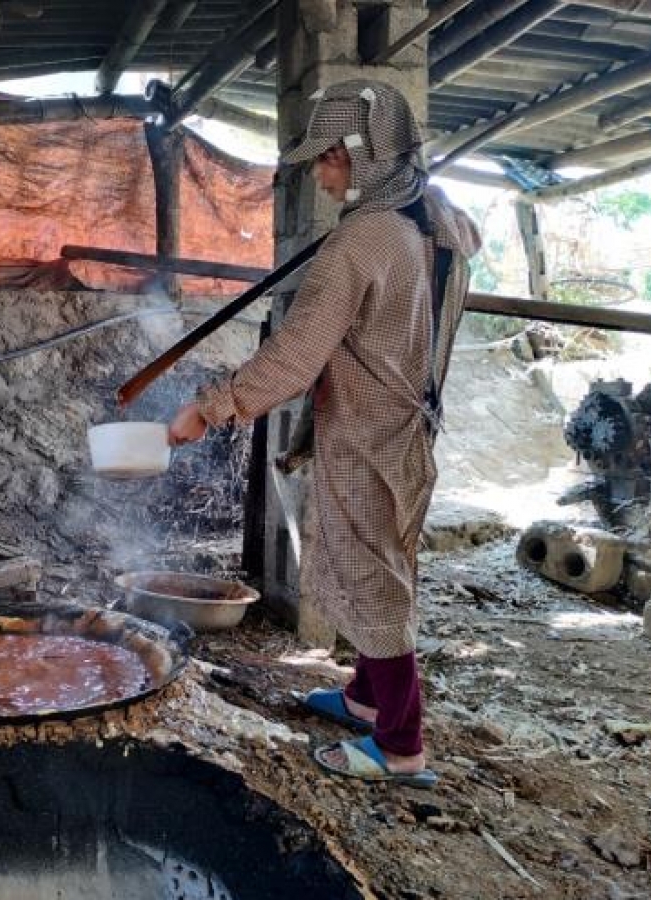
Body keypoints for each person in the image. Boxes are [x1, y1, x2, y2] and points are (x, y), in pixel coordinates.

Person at [168, 80, 480, 788]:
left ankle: (401, 747)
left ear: (363, 157)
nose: (319, 171)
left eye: (329, 157)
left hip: (369, 432)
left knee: (376, 583)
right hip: (406, 425)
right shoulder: (435, 225)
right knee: (378, 562)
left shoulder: (361, 240)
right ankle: (367, 699)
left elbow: (296, 356)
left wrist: (211, 407)